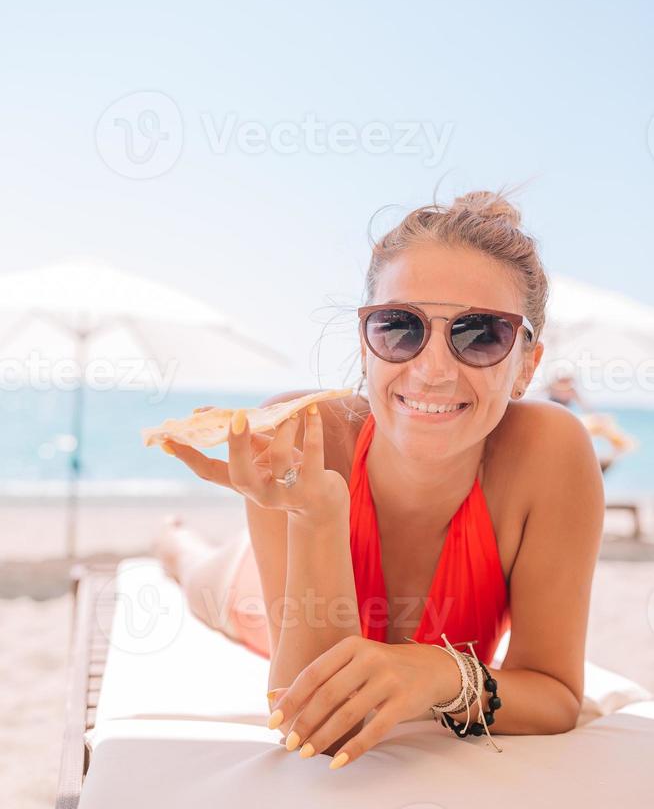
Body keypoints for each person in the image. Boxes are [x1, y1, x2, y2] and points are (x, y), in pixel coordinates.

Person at [155, 190, 605, 766]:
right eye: (400, 327)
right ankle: (173, 537)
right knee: (198, 571)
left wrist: (436, 672)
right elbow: (311, 724)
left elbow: (556, 693)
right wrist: (315, 517)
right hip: (259, 598)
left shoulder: (551, 452)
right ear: (365, 345)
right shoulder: (302, 435)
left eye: (481, 335)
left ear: (527, 367)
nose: (434, 370)